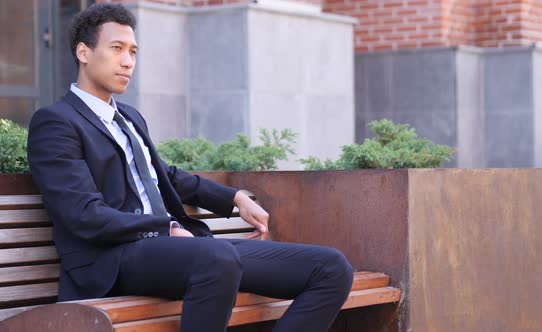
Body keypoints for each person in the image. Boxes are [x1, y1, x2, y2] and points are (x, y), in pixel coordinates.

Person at [27, 3, 353, 331]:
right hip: (112, 260)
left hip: (174, 252)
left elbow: (163, 176)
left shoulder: (129, 117)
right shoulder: (56, 123)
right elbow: (83, 214)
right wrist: (163, 228)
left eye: (133, 51)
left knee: (330, 268)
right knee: (216, 259)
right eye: (116, 49)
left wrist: (234, 198)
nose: (128, 61)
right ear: (83, 52)